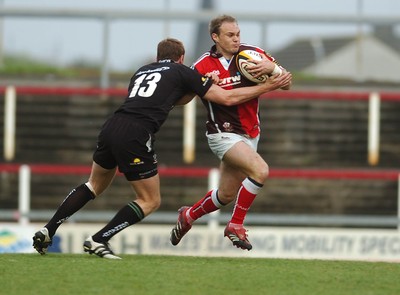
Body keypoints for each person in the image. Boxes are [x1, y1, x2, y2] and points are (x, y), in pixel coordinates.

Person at [32, 38, 292, 259]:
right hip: (136, 133)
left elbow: (171, 97)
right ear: (181, 58)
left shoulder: (143, 70)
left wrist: (198, 83)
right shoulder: (183, 71)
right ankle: (100, 239)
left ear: (159, 57)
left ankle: (49, 228)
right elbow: (224, 97)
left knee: (93, 185)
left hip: (112, 126)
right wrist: (268, 86)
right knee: (150, 200)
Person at [170, 15, 292, 251]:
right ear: (215, 37)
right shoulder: (202, 66)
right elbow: (181, 99)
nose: (236, 39)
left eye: (238, 34)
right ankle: (235, 224)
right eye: (230, 35)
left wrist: (274, 68)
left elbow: (287, 83)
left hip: (250, 134)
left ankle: (188, 215)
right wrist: (202, 83)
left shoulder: (253, 55)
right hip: (221, 134)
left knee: (225, 195)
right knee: (260, 170)